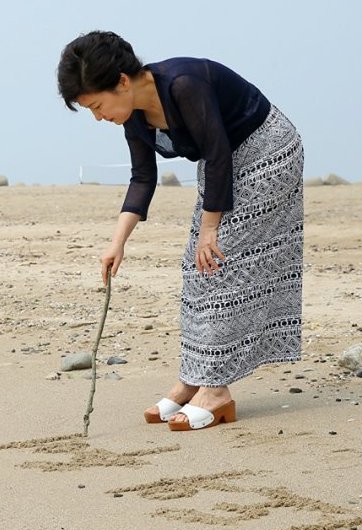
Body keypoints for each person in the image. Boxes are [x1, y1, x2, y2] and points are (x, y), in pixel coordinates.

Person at [57, 31, 304, 431]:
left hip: (266, 150)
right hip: (221, 161)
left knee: (221, 262)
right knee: (196, 267)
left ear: (122, 81)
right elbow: (142, 179)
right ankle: (194, 378)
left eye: (97, 105)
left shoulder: (183, 84)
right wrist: (117, 244)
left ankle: (217, 390)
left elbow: (220, 151)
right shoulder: (133, 115)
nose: (98, 117)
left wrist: (211, 230)